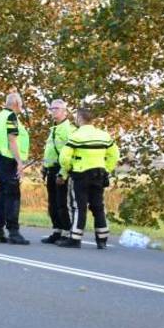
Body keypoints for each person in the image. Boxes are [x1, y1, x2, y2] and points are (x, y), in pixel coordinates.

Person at [57, 107, 119, 249]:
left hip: (80, 174)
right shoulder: (104, 135)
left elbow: (64, 157)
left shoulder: (76, 136)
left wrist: (66, 171)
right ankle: (102, 240)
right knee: (98, 206)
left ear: (79, 119)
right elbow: (114, 155)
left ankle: (75, 238)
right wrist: (106, 168)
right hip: (99, 174)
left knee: (79, 207)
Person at [0, 92, 31, 245]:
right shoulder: (11, 117)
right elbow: (12, 139)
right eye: (20, 105)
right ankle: (14, 232)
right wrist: (19, 161)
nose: (21, 108)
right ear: (16, 104)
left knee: (2, 195)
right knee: (13, 195)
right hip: (9, 159)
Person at [40, 99, 76, 244]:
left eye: (56, 108)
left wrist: (63, 173)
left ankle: (67, 232)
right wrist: (44, 167)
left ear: (64, 111)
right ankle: (57, 230)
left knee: (63, 203)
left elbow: (69, 153)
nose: (53, 111)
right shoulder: (54, 128)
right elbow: (49, 151)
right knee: (53, 202)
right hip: (51, 169)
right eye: (51, 108)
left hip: (62, 170)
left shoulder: (69, 129)